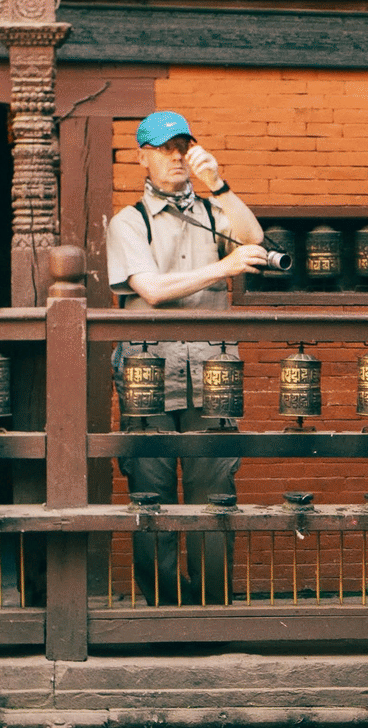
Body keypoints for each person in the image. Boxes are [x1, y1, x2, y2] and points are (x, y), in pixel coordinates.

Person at [106, 109, 268, 606]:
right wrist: (223, 266)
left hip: (212, 368)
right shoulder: (127, 222)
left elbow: (255, 240)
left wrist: (218, 185)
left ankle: (212, 612)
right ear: (143, 157)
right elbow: (151, 290)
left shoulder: (215, 212)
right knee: (150, 497)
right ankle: (163, 615)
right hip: (147, 371)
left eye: (183, 146)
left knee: (214, 497)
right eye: (164, 148)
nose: (177, 157)